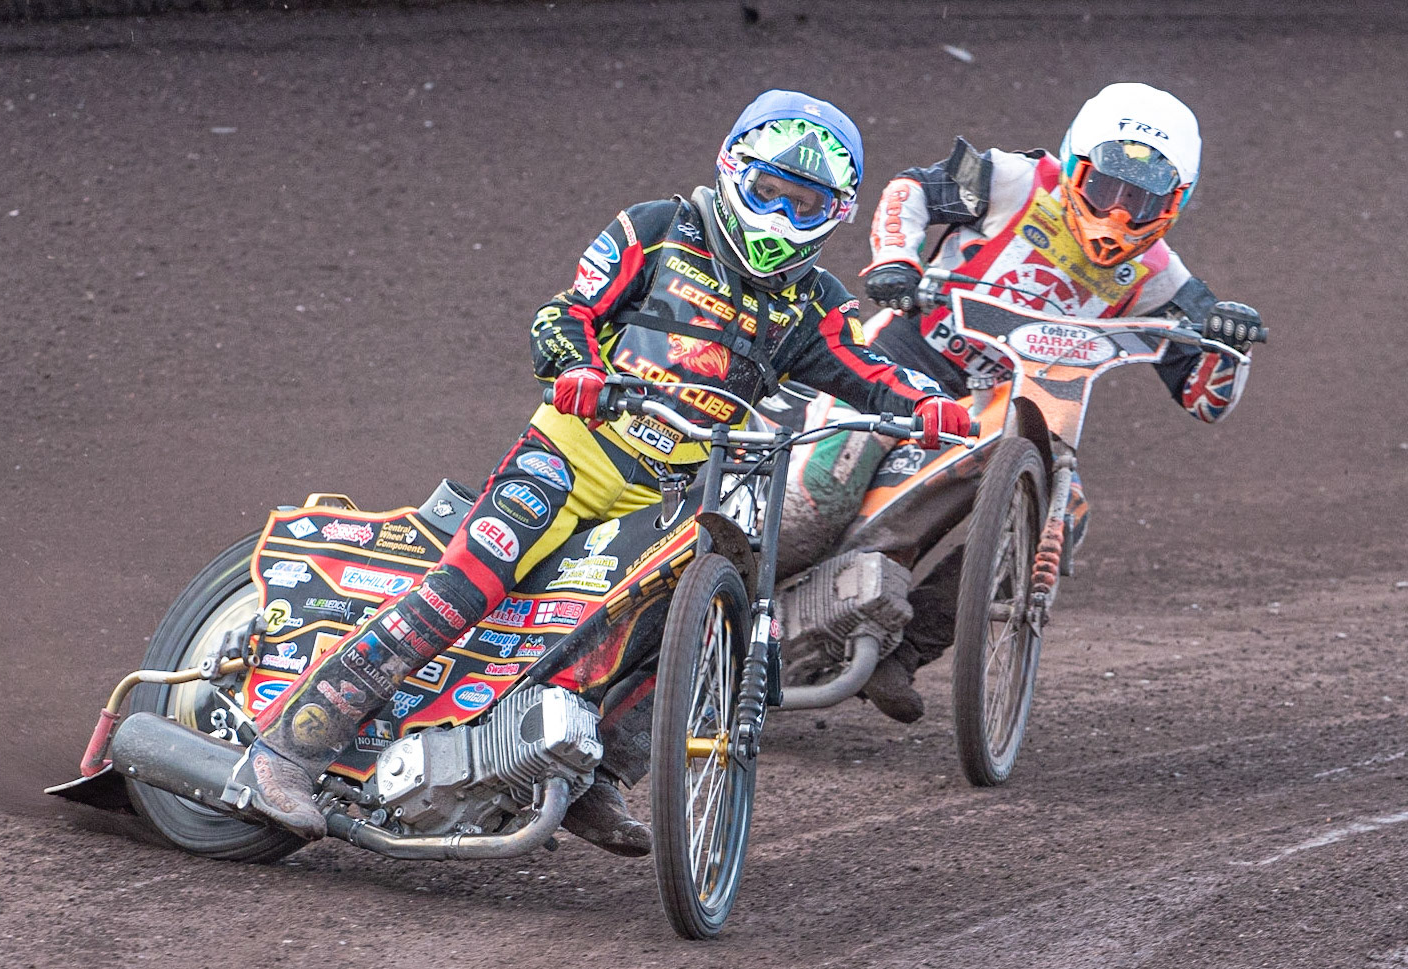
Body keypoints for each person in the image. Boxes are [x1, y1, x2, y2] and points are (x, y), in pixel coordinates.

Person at [224, 89, 972, 852]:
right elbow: (565, 313)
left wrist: (929, 404)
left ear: (835, 214)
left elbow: (868, 367)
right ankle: (285, 749)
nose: (779, 217)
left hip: (668, 496)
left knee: (668, 628)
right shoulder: (656, 229)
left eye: (803, 204)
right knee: (464, 589)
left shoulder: (813, 304)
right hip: (566, 455)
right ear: (730, 171)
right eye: (767, 191)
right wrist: (575, 364)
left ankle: (592, 776)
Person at [847, 82, 1264, 721]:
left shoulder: (1160, 279)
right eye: (1106, 188)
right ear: (1073, 165)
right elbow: (909, 189)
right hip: (907, 362)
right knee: (822, 482)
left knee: (1060, 516)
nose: (1119, 213)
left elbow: (1205, 400)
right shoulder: (1010, 179)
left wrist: (1228, 346)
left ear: (1173, 203)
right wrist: (894, 262)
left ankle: (900, 652)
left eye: (1142, 198)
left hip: (1010, 406)